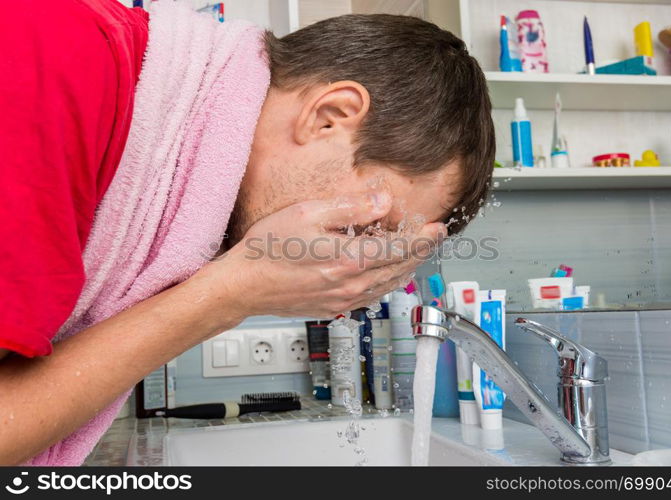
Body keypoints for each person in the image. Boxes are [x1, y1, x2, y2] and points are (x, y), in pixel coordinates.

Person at [0, 0, 494, 465]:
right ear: (329, 117)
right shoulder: (55, 62)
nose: (355, 259)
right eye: (372, 224)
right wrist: (228, 295)